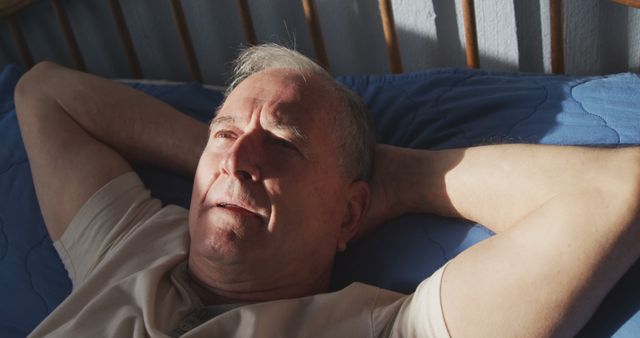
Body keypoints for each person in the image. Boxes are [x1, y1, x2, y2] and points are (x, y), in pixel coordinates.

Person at [15, 44, 640, 337]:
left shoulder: (384, 328)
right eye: (225, 132)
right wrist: (224, 169)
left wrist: (400, 178)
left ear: (350, 211)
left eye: (283, 144)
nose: (240, 156)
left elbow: (620, 187)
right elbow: (42, 91)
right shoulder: (129, 242)